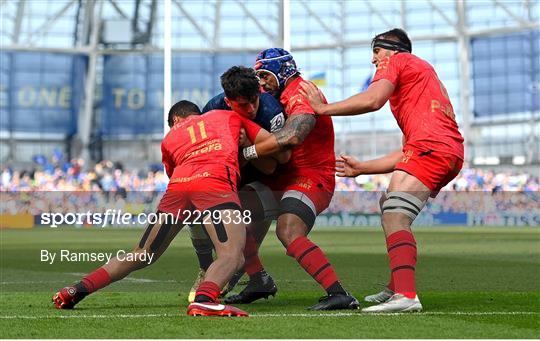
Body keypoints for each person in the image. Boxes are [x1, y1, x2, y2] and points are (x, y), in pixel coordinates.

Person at [52, 100, 276, 317]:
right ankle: (205, 300)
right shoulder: (227, 116)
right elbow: (274, 144)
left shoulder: (170, 137)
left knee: (141, 254)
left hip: (178, 188)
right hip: (213, 184)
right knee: (231, 255)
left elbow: (173, 174)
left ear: (176, 119)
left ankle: (75, 290)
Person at [299, 28, 464, 313]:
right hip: (445, 151)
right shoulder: (425, 81)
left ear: (391, 49)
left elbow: (372, 99)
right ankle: (396, 286)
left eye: (376, 51)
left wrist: (322, 109)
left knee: (395, 215)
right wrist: (364, 168)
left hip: (432, 147)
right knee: (388, 203)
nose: (374, 60)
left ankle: (406, 294)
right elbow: (407, 151)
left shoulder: (398, 61)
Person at [234, 48, 359, 310]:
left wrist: (249, 151)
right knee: (232, 219)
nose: (261, 83)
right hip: (282, 178)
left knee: (288, 230)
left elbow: (294, 136)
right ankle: (258, 280)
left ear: (283, 71)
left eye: (265, 75)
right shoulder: (278, 96)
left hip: (310, 176)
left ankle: (339, 293)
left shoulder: (300, 91)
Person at [186, 66, 286, 303]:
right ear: (228, 102)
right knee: (192, 207)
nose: (251, 109)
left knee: (243, 230)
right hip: (226, 175)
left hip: (266, 179)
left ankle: (242, 274)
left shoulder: (272, 111)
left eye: (254, 101)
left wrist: (246, 146)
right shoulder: (212, 109)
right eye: (243, 105)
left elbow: (276, 164)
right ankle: (207, 269)